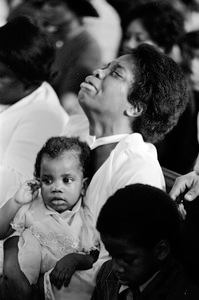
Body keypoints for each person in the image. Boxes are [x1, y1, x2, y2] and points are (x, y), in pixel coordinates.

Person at [43, 43, 189, 300]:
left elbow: (119, 269)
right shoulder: (77, 127)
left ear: (135, 108)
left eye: (116, 73)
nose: (99, 72)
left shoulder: (137, 168)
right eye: (105, 67)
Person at [0, 136, 99, 300]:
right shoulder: (30, 206)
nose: (56, 188)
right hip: (14, 282)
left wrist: (74, 260)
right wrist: (16, 202)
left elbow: (93, 258)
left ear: (84, 186)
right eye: (47, 180)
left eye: (67, 180)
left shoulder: (86, 218)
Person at [0, 15, 69, 207]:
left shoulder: (44, 116)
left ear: (29, 80)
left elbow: (9, 190)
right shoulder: (12, 96)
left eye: (1, 76)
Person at [91, 183, 199, 299]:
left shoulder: (182, 293)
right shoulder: (107, 275)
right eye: (111, 255)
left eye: (128, 259)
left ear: (161, 250)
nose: (115, 267)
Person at [9, 0, 102, 115]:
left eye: (54, 4)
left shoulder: (88, 47)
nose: (45, 8)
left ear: (74, 9)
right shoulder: (47, 37)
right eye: (43, 4)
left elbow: (69, 93)